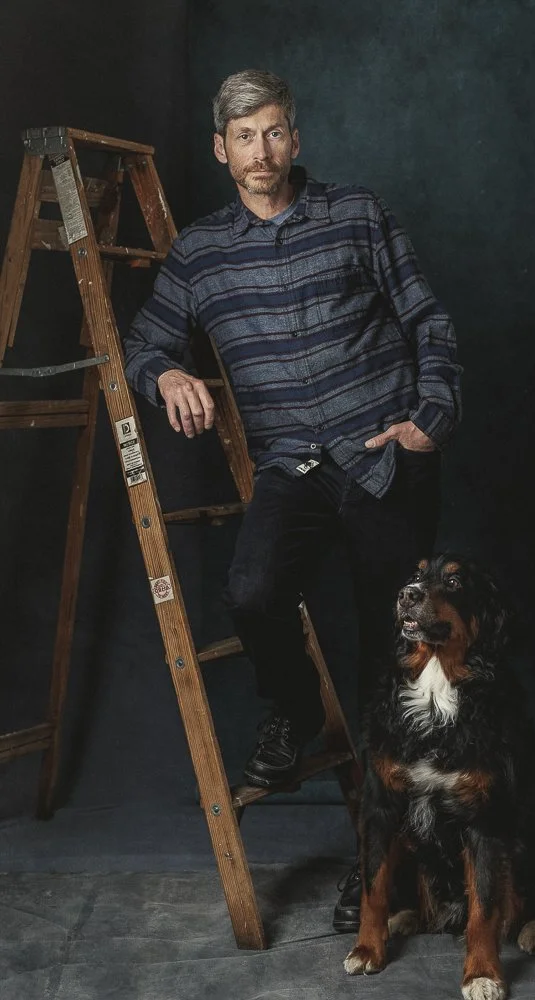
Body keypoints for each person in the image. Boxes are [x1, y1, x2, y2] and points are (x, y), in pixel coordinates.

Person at [124, 69, 462, 931]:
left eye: (274, 132)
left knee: (391, 668)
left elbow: (427, 319)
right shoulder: (200, 252)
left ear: (295, 139)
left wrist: (429, 418)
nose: (261, 151)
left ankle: (380, 867)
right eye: (245, 136)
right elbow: (144, 341)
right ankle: (296, 707)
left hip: (384, 460)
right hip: (292, 467)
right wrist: (166, 374)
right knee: (252, 592)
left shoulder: (357, 214)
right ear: (221, 149)